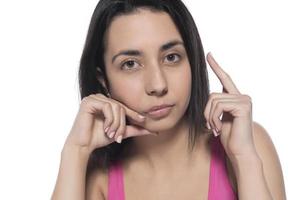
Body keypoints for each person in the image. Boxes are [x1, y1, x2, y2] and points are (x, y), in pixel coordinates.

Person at [51, 0, 286, 199]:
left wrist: (243, 158)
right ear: (103, 79)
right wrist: (75, 151)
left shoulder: (247, 143)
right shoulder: (98, 175)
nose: (158, 85)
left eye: (171, 57)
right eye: (130, 64)